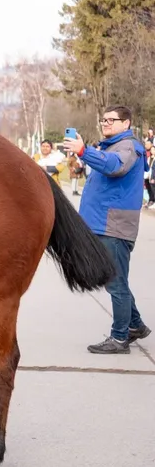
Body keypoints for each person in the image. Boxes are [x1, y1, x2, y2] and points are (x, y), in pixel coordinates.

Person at [64, 106, 150, 354]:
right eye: (103, 120)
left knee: (115, 283)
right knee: (116, 281)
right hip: (104, 225)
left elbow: (114, 166)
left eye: (111, 120)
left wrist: (84, 151)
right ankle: (135, 325)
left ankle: (120, 338)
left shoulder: (128, 147)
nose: (105, 124)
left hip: (114, 227)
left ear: (127, 123)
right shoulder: (112, 146)